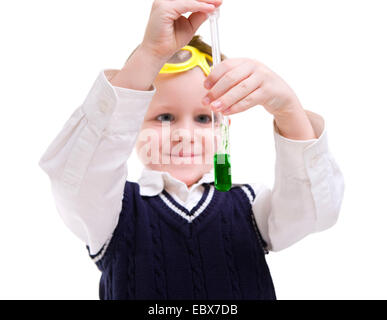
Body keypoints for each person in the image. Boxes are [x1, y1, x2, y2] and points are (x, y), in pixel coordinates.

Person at [38, 0, 344, 300]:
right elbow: (76, 175)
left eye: (203, 118)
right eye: (165, 117)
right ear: (131, 125)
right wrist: (149, 55)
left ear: (224, 128)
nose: (184, 135)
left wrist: (289, 110)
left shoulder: (251, 205)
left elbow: (316, 210)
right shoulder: (113, 210)